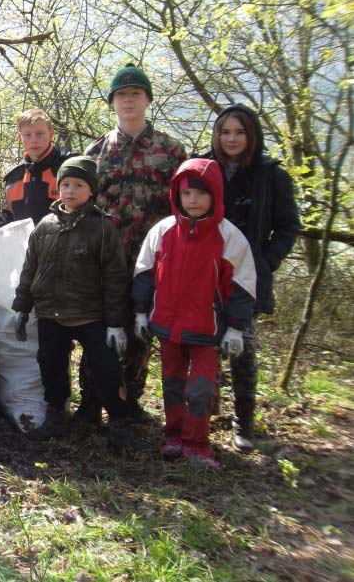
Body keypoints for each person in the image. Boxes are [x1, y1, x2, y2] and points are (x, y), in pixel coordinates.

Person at [11, 157, 145, 451]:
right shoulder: (44, 226)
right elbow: (29, 267)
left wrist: (115, 324)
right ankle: (56, 416)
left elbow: (115, 278)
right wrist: (22, 306)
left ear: (91, 191)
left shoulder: (102, 228)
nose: (70, 191)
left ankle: (119, 423)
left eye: (79, 185)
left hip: (91, 315)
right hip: (50, 313)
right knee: (50, 365)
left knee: (107, 369)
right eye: (66, 185)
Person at [132, 158, 256, 469]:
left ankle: (197, 443)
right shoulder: (163, 230)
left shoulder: (229, 237)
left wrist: (236, 329)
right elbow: (144, 273)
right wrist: (140, 313)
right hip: (166, 326)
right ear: (177, 195)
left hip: (206, 330)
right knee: (172, 383)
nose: (194, 201)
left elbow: (241, 287)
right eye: (187, 194)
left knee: (200, 390)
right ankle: (174, 435)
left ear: (215, 195)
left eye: (201, 194)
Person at [81, 63, 187, 424]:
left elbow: (184, 206)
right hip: (103, 260)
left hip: (151, 259)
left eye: (135, 94)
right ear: (112, 102)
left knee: (140, 331)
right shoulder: (95, 152)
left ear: (147, 100)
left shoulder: (171, 151)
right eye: (121, 95)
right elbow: (82, 207)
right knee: (98, 330)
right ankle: (92, 401)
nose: (128, 101)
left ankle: (130, 402)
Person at [202, 105, 300, 451]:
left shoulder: (271, 175)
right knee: (203, 343)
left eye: (239, 132)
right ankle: (204, 408)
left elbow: (289, 227)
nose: (231, 139)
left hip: (245, 277)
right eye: (225, 131)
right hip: (204, 272)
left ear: (252, 135)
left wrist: (264, 263)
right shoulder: (203, 167)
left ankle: (243, 421)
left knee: (242, 348)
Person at [0, 108, 75, 227]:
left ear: (51, 134)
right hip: (24, 244)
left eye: (40, 134)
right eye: (27, 135)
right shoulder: (14, 178)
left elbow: (87, 214)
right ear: (20, 138)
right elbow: (13, 217)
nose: (34, 140)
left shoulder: (71, 169)